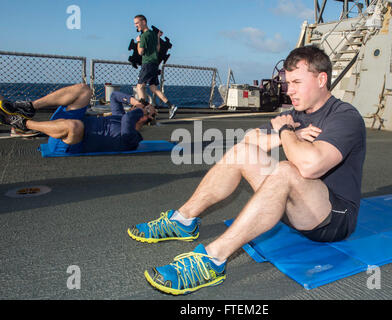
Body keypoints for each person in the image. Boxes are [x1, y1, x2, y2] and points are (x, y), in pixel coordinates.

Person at [127, 45, 366, 295]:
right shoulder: (294, 115)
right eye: (287, 82)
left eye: (296, 82)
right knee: (242, 153)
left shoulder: (344, 116)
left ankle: (213, 260)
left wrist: (284, 132)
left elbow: (309, 166)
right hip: (294, 206)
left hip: (332, 218)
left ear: (321, 79)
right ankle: (183, 220)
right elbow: (249, 139)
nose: (289, 90)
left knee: (286, 169)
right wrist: (290, 135)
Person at [0, 83, 156, 154]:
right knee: (84, 89)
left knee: (75, 126)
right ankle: (29, 107)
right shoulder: (120, 117)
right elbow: (115, 96)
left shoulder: (132, 139)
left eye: (142, 112)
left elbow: (129, 119)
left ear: (143, 119)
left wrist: (143, 109)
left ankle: (23, 124)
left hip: (68, 139)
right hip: (73, 120)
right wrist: (135, 102)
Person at [134, 14, 178, 119]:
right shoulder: (154, 35)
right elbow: (158, 49)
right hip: (154, 63)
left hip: (147, 64)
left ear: (143, 22)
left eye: (137, 23)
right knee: (153, 88)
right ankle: (171, 106)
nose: (136, 26)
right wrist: (158, 37)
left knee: (140, 87)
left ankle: (143, 111)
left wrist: (138, 41)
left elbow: (140, 52)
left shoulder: (144, 36)